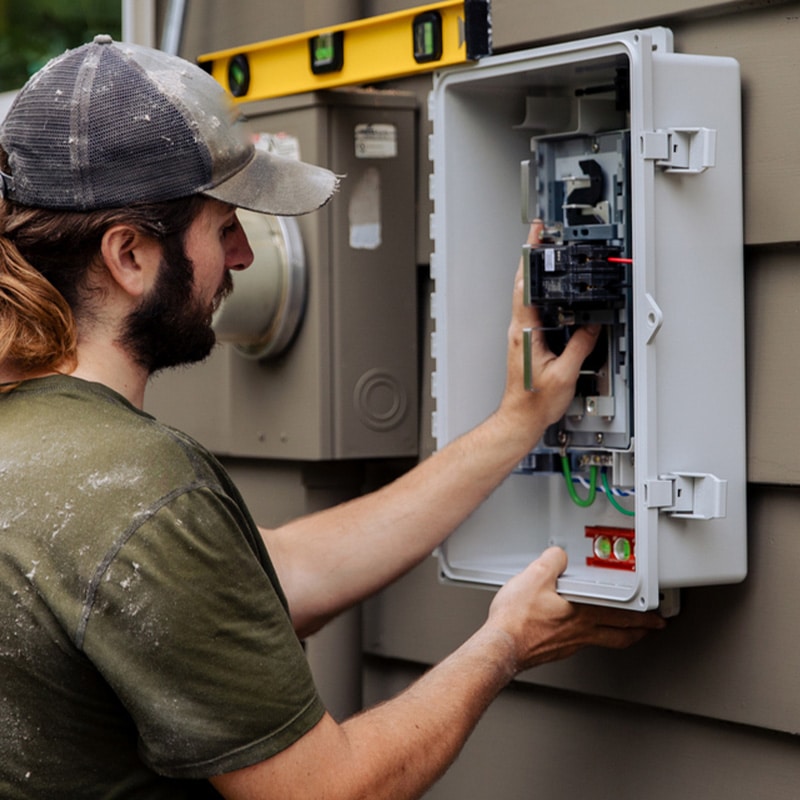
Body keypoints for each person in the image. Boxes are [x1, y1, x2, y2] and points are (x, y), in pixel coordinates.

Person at [0, 36, 664, 800]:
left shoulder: (53, 458)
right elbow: (325, 790)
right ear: (129, 256)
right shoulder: (141, 489)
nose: (245, 255)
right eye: (224, 227)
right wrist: (505, 643)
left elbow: (269, 577)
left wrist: (518, 421)